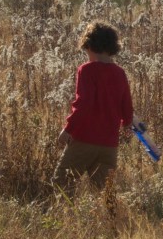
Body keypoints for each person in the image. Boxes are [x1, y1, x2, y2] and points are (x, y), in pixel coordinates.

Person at [52, 21, 134, 197]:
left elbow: (84, 103)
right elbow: (126, 105)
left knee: (62, 182)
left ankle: (68, 214)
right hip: (109, 144)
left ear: (89, 45)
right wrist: (127, 126)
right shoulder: (120, 73)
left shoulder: (87, 70)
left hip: (84, 140)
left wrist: (68, 129)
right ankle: (107, 216)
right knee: (103, 192)